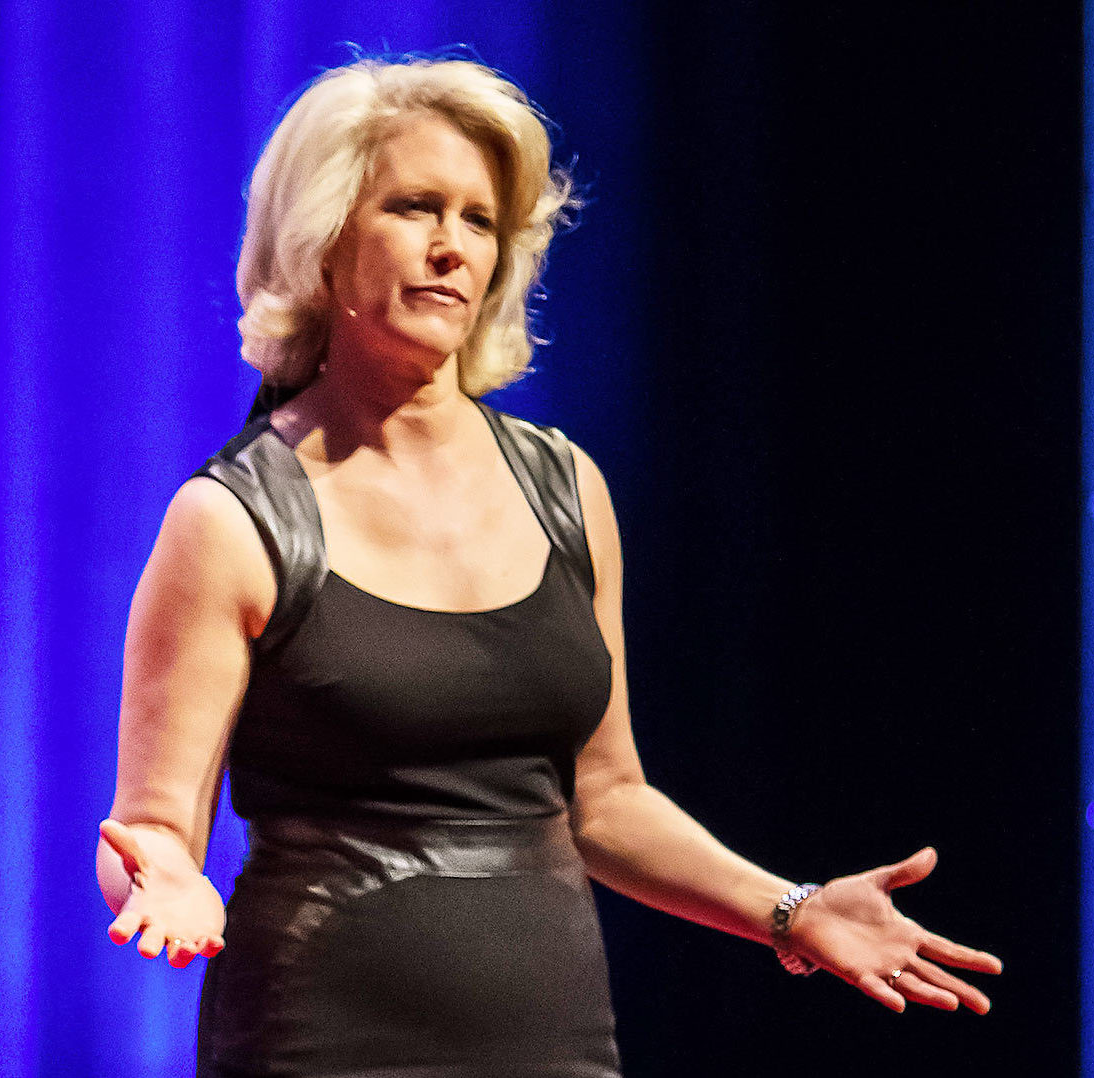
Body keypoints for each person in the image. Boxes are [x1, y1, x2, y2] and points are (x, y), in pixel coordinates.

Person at [95, 56, 1003, 1076]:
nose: (451, 246)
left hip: (550, 1042)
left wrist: (788, 910)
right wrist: (165, 880)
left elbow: (606, 800)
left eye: (479, 221)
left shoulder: (565, 487)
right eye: (413, 207)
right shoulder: (230, 519)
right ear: (322, 236)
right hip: (319, 1037)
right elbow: (149, 829)